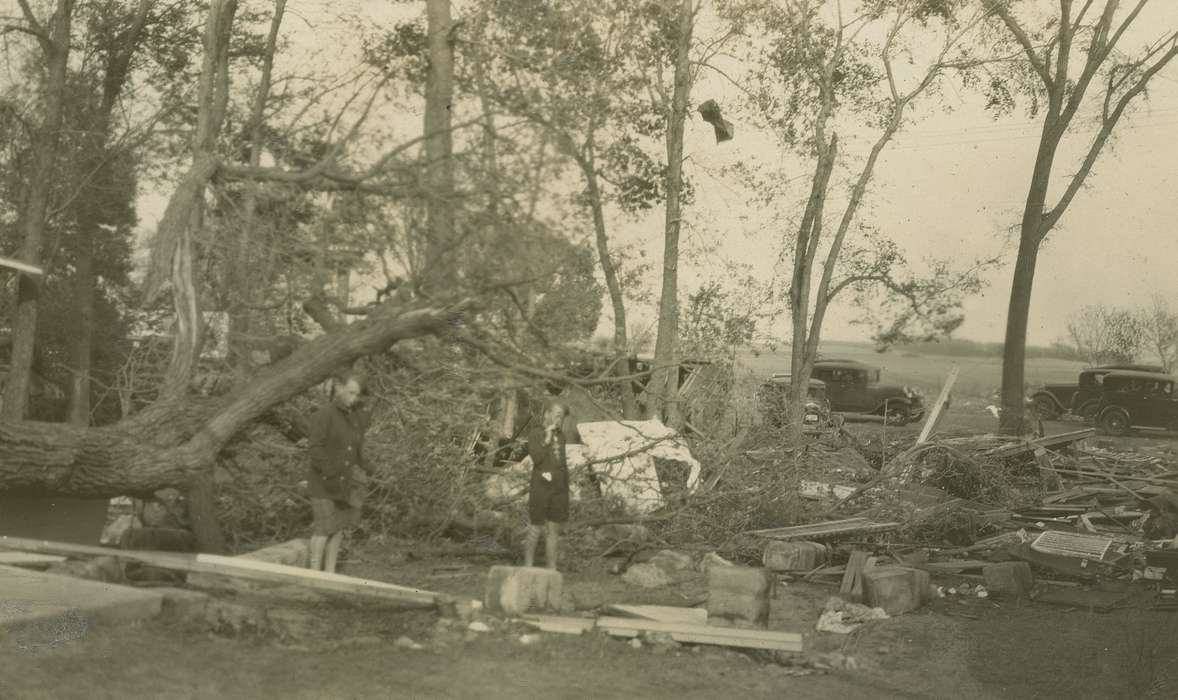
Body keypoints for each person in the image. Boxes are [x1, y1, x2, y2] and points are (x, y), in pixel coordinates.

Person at [306, 372, 373, 573]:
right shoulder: (325, 414)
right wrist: (329, 470)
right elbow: (315, 447)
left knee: (338, 528)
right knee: (323, 529)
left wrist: (367, 467)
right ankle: (313, 575)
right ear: (339, 387)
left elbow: (356, 447)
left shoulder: (354, 417)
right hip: (323, 482)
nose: (353, 398)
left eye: (357, 395)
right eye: (350, 392)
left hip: (345, 482)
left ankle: (330, 573)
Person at [524, 401, 578, 570]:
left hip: (558, 487)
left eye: (561, 416)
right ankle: (527, 567)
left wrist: (566, 486)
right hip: (540, 486)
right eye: (555, 414)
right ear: (546, 414)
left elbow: (561, 463)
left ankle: (552, 569)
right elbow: (538, 459)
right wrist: (546, 438)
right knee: (536, 527)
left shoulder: (561, 436)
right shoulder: (535, 433)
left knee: (554, 529)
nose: (558, 418)